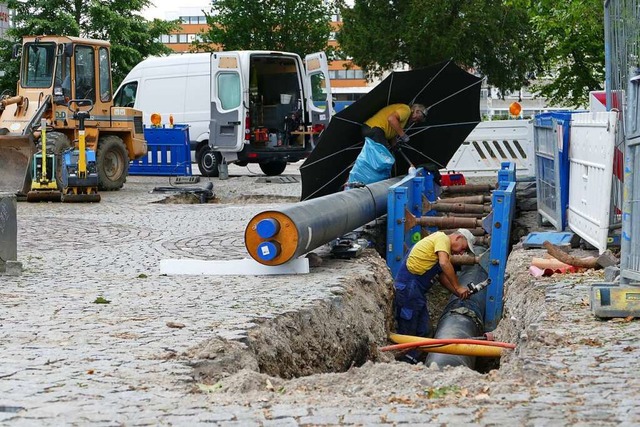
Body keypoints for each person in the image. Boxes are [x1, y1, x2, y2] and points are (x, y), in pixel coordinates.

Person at [393, 228, 476, 364]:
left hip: (416, 291)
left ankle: (414, 360)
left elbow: (442, 277)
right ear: (458, 237)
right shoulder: (441, 239)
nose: (461, 253)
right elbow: (444, 264)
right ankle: (404, 363)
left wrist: (457, 293)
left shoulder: (440, 250)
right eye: (464, 248)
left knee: (424, 330)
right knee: (408, 329)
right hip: (409, 288)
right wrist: (458, 286)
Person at [361, 103, 428, 150]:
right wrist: (403, 135)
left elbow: (393, 129)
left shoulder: (404, 120)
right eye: (417, 118)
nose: (415, 122)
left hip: (374, 131)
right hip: (374, 129)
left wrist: (394, 144)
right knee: (382, 157)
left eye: (417, 121)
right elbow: (391, 119)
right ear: (416, 111)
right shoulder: (406, 110)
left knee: (379, 157)